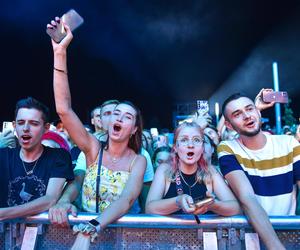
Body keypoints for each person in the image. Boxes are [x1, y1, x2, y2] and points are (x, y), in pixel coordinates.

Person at [47, 19, 146, 247]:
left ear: (134, 130)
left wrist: (92, 226)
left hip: (123, 240)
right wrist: (59, 52)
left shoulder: (138, 161)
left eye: (127, 117)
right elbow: (63, 109)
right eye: (116, 114)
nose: (119, 118)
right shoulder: (92, 149)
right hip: (86, 238)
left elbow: (126, 199)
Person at [218, 92, 300, 249]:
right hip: (250, 238)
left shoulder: (289, 144)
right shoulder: (228, 148)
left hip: (289, 235)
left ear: (257, 111)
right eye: (237, 114)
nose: (247, 116)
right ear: (229, 125)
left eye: (249, 109)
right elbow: (247, 198)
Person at [146, 121, 240, 216]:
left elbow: (235, 208)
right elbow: (149, 209)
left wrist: (213, 205)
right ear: (175, 147)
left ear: (202, 147)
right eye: (184, 140)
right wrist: (177, 202)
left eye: (196, 140)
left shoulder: (210, 171)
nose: (190, 145)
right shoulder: (164, 170)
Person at [0, 97, 73, 218]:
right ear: (14, 125)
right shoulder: (3, 156)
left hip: (43, 232)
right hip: (6, 233)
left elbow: (50, 199)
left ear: (46, 128)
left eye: (34, 123)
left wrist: (3, 214)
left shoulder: (58, 156)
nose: (25, 128)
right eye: (21, 123)